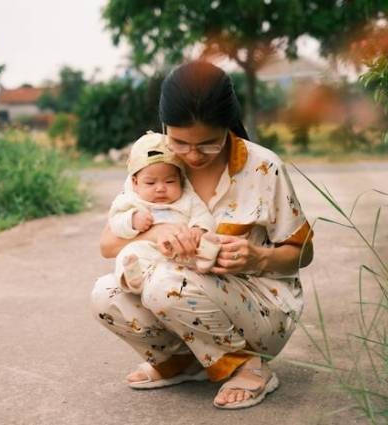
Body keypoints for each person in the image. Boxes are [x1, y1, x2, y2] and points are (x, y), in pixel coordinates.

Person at [90, 60, 314, 409]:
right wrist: (159, 231)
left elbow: (303, 252)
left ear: (228, 125)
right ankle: (182, 361)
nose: (192, 156)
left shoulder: (263, 167)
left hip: (258, 307)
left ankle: (249, 365)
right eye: (180, 142)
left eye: (208, 144)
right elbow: (108, 244)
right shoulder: (154, 167)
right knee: (105, 293)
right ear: (165, 127)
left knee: (166, 282)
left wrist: (258, 256)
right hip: (178, 295)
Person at [108, 131, 220, 293]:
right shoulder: (132, 200)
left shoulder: (187, 199)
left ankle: (205, 262)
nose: (160, 188)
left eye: (169, 181)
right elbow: (115, 221)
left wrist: (199, 229)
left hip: (183, 251)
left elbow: (203, 215)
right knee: (128, 254)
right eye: (150, 182)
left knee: (205, 242)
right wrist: (132, 220)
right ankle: (133, 278)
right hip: (149, 251)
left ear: (180, 180)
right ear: (135, 182)